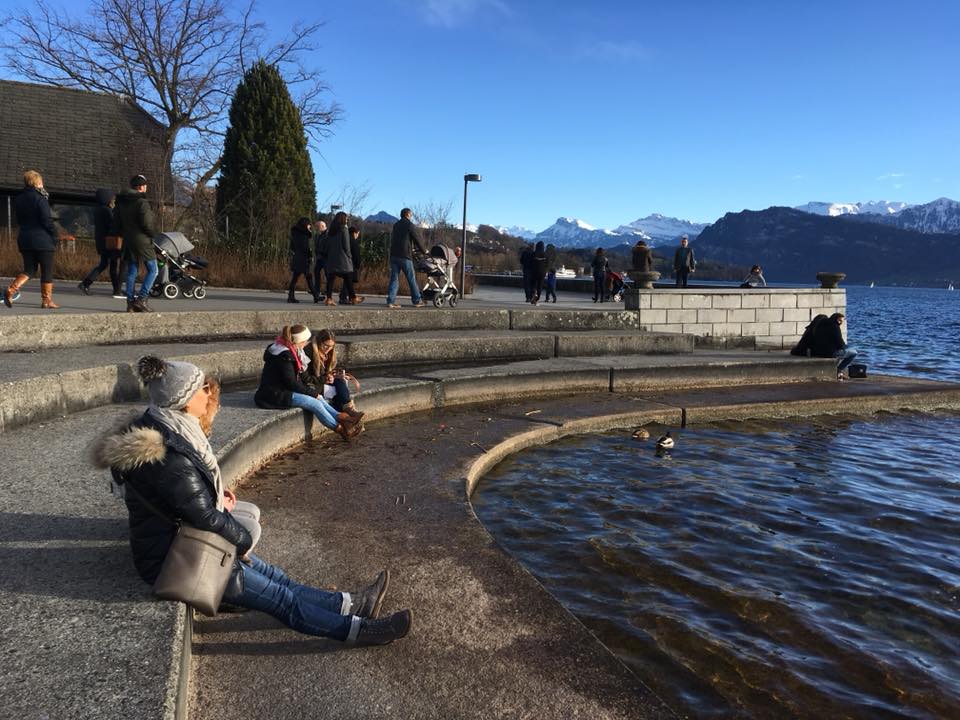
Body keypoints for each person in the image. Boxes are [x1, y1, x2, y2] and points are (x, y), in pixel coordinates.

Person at [92, 355, 410, 645]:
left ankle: (351, 603)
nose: (208, 393)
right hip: (176, 560)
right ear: (184, 401)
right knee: (282, 600)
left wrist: (219, 502)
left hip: (183, 541)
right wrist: (241, 542)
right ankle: (358, 631)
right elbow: (205, 517)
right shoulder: (170, 456)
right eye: (202, 389)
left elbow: (189, 502)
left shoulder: (169, 431)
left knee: (278, 579)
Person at [254, 324, 363, 441]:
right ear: (298, 342)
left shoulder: (290, 351)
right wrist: (312, 393)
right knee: (314, 403)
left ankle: (345, 419)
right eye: (305, 341)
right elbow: (292, 383)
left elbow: (293, 382)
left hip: (284, 389)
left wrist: (315, 393)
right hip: (274, 394)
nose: (306, 343)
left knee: (319, 398)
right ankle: (342, 430)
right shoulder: (284, 356)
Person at [5, 170, 59, 309]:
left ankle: (11, 289)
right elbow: (46, 220)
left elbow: (19, 220)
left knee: (29, 269)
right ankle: (46, 300)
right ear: (37, 182)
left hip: (25, 238)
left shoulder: (19, 199)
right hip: (42, 240)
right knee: (46, 270)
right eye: (41, 181)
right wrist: (54, 235)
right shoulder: (40, 199)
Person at [114, 174, 158, 313]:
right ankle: (142, 299)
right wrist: (152, 234)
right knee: (153, 269)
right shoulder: (142, 202)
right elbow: (147, 224)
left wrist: (125, 234)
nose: (146, 187)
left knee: (132, 271)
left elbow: (116, 224)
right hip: (142, 240)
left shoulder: (121, 203)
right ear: (141, 187)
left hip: (128, 240)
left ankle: (130, 303)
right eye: (145, 185)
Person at [304, 329, 364, 420]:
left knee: (340, 381)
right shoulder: (308, 352)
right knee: (337, 392)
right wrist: (325, 378)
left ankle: (347, 415)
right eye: (325, 345)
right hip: (312, 385)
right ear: (319, 342)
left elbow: (327, 371)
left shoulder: (330, 353)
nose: (328, 348)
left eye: (331, 346)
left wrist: (333, 375)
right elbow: (306, 378)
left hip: (323, 381)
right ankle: (347, 414)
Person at [79, 189, 123, 298]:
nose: (113, 200)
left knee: (104, 264)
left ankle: (86, 283)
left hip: (101, 242)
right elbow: (112, 225)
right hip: (109, 242)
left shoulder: (98, 210)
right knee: (112, 266)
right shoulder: (106, 211)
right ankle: (116, 289)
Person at [386, 208, 426, 308]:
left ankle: (391, 301)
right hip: (405, 256)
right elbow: (417, 238)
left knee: (394, 279)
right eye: (411, 214)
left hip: (394, 255)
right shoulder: (410, 225)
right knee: (411, 279)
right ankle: (417, 300)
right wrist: (424, 250)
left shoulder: (396, 225)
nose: (411, 216)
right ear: (408, 215)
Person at [323, 212, 363, 306]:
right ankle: (353, 298)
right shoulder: (344, 229)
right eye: (346, 218)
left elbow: (327, 245)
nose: (347, 220)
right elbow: (346, 245)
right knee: (348, 276)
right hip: (343, 258)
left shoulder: (331, 231)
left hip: (332, 258)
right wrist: (349, 256)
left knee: (331, 279)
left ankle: (329, 298)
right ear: (343, 219)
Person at [810, 312, 858, 380]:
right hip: (829, 353)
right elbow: (840, 343)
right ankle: (839, 370)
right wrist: (844, 347)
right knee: (854, 353)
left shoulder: (821, 325)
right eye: (840, 320)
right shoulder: (835, 327)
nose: (841, 323)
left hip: (817, 351)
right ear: (836, 319)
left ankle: (839, 371)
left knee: (846, 349)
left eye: (842, 321)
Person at [286, 217, 317, 304]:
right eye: (309, 224)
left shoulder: (295, 234)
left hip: (297, 258)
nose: (310, 226)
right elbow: (306, 247)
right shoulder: (304, 234)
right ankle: (316, 296)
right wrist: (310, 256)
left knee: (295, 278)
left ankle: (291, 297)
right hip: (304, 259)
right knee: (309, 277)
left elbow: (292, 247)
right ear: (305, 225)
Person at [339, 226, 363, 305]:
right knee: (349, 281)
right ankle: (344, 297)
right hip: (351, 264)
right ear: (354, 233)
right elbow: (356, 255)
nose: (357, 236)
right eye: (357, 234)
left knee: (348, 281)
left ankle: (350, 297)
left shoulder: (344, 240)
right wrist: (358, 264)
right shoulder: (353, 241)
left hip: (343, 263)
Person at [312, 219, 328, 303]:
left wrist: (322, 252)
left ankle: (327, 293)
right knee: (316, 272)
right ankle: (317, 291)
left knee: (328, 275)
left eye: (317, 227)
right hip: (319, 258)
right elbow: (317, 245)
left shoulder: (328, 234)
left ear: (322, 226)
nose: (316, 228)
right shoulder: (319, 235)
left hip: (326, 258)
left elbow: (328, 246)